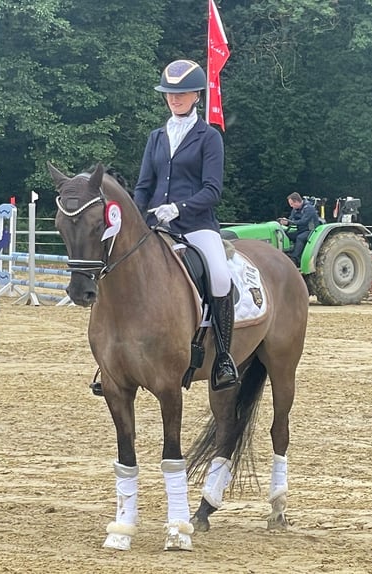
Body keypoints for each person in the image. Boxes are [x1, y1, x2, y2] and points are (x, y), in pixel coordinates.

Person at [133, 59, 237, 389]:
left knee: (220, 278)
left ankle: (223, 358)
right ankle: (114, 357)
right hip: (156, 227)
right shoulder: (156, 137)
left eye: (181, 93)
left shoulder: (209, 137)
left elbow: (212, 190)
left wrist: (178, 208)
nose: (174, 99)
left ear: (196, 95)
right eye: (169, 94)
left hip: (196, 225)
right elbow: (143, 185)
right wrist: (138, 218)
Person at [278, 192, 319, 265]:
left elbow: (304, 221)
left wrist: (290, 222)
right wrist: (286, 222)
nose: (291, 206)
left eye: (292, 204)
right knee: (286, 235)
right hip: (301, 230)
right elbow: (291, 219)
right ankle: (286, 253)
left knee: (300, 237)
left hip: (311, 230)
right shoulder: (295, 209)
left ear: (296, 202)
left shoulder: (309, 208)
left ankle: (295, 258)